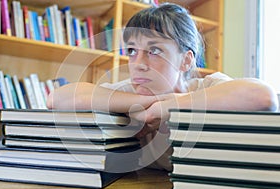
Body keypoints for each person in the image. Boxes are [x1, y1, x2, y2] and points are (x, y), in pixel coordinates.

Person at [46, 3, 279, 171]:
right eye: (132, 51)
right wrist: (150, 105)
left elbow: (263, 97)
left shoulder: (207, 87)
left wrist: (168, 107)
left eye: (154, 50)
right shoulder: (130, 93)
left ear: (186, 60)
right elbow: (57, 99)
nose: (138, 65)